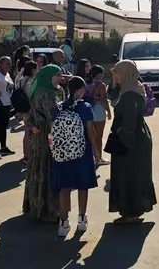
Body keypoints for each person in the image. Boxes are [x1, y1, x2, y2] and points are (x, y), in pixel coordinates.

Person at [107, 60, 157, 224]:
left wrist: (123, 138)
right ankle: (133, 211)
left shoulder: (129, 95)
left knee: (128, 176)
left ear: (125, 73)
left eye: (117, 72)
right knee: (135, 174)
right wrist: (114, 80)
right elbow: (111, 95)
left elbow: (129, 120)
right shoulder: (134, 87)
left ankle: (131, 212)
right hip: (139, 135)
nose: (115, 75)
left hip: (132, 139)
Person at [54, 77, 101, 236]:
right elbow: (90, 131)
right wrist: (96, 150)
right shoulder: (85, 107)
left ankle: (63, 223)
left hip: (63, 153)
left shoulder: (59, 107)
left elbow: (53, 131)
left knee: (64, 187)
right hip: (82, 152)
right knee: (83, 185)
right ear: (80, 89)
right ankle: (81, 220)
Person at [23, 64, 64, 222]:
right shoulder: (48, 94)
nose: (60, 78)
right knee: (48, 171)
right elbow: (54, 118)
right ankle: (48, 211)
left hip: (39, 137)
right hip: (48, 138)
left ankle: (38, 207)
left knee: (39, 169)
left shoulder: (41, 90)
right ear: (47, 77)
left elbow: (29, 115)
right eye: (57, 75)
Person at [0, 56, 15, 159]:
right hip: (0, 105)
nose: (9, 65)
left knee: (4, 127)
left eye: (10, 63)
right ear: (1, 64)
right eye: (7, 63)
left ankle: (3, 148)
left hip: (7, 104)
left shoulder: (7, 74)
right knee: (0, 128)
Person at [86, 65, 112, 166]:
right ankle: (99, 158)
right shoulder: (101, 85)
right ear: (98, 74)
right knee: (98, 137)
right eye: (102, 73)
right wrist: (109, 111)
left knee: (91, 135)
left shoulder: (87, 83)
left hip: (89, 110)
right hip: (98, 111)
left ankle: (92, 156)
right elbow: (104, 100)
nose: (103, 75)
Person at [18, 60, 37, 163]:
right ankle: (29, 156)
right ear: (33, 69)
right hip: (31, 108)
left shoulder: (22, 79)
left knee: (26, 132)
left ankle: (26, 154)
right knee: (31, 133)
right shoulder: (33, 80)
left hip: (24, 108)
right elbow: (33, 95)